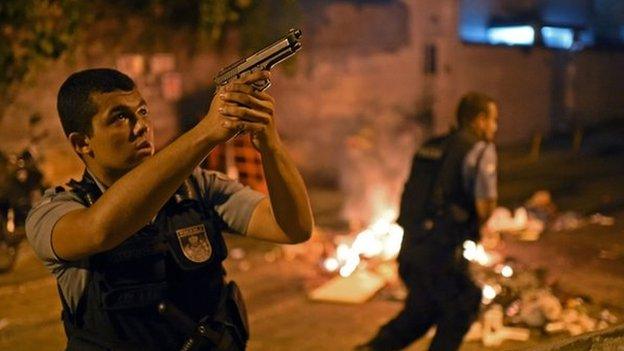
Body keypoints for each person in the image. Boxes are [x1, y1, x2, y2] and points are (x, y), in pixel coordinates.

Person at [25, 68, 313, 351]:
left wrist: (269, 143)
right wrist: (206, 133)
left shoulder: (196, 188)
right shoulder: (55, 212)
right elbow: (98, 230)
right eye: (120, 118)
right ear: (82, 142)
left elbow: (292, 227)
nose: (140, 126)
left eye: (142, 112)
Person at [357, 92, 499, 351]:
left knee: (422, 312)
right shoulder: (479, 150)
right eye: (493, 120)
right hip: (441, 252)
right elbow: (484, 205)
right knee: (463, 304)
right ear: (479, 120)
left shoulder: (431, 146)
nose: (495, 127)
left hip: (411, 249)